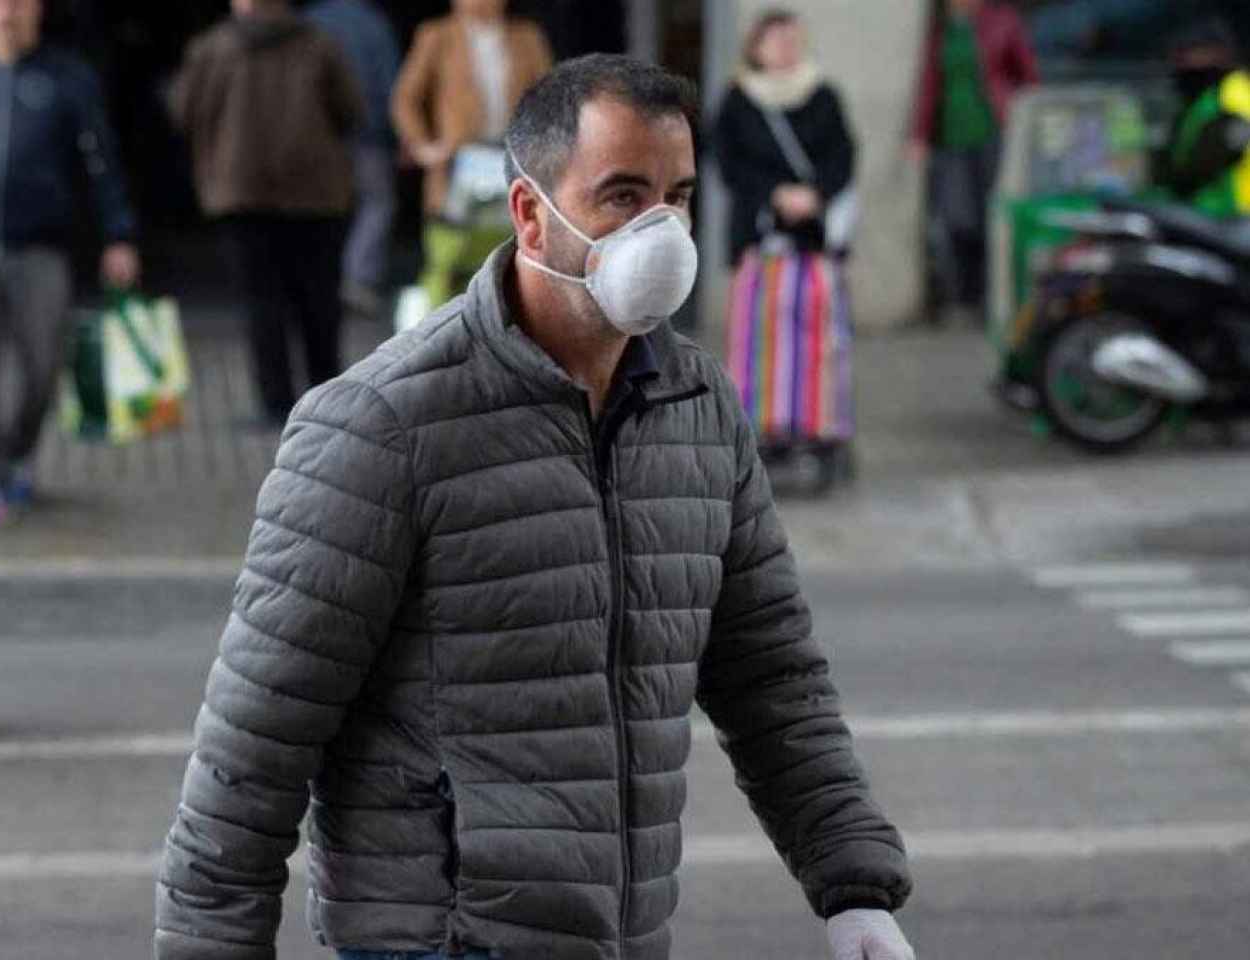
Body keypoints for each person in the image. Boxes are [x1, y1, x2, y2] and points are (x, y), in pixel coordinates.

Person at [155, 54, 915, 960]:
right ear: (530, 213)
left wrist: (854, 887)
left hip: (624, 936)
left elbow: (771, 676)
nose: (662, 231)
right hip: (441, 940)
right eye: (623, 197)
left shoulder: (697, 408)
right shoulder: (383, 425)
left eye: (676, 196)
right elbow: (255, 743)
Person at [0, 0, 141, 534]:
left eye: (18, 2)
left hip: (43, 249)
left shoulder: (66, 77)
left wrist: (119, 234)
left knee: (42, 368)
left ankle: (17, 454)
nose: (7, 13)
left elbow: (100, 160)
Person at [170, 0, 361, 428]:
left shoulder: (212, 48)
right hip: (317, 196)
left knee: (261, 305)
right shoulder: (319, 43)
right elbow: (350, 110)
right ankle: (326, 398)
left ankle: (275, 404)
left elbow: (184, 112)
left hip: (242, 195)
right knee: (319, 303)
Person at [392, 0, 552, 307]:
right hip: (458, 165)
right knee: (448, 258)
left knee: (516, 257)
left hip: (512, 160)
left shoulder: (526, 36)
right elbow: (405, 98)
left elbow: (548, 95)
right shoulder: (436, 35)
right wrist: (424, 146)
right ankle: (439, 341)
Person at [908, 0, 1038, 318]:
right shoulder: (941, 30)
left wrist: (1026, 121)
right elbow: (929, 85)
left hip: (994, 131)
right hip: (951, 137)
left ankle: (994, 297)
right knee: (957, 218)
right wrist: (920, 134)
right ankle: (967, 294)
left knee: (991, 217)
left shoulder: (1002, 20)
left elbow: (1028, 76)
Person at [712, 9, 856, 261]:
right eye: (777, 40)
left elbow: (843, 153)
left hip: (816, 231)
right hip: (756, 230)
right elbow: (726, 159)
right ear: (756, 48)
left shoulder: (823, 95)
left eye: (792, 40)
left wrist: (816, 194)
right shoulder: (738, 99)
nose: (786, 48)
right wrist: (775, 194)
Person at [305, 0, 402, 320]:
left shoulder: (308, 20)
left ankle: (320, 278)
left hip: (318, 136)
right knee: (376, 202)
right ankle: (357, 277)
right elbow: (390, 81)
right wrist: (394, 133)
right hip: (368, 132)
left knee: (321, 208)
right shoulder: (372, 23)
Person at [1161, 20, 1250, 218]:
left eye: (1188, 53)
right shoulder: (1205, 97)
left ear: (1217, 53)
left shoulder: (1231, 93)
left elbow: (1227, 144)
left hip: (1230, 214)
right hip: (1208, 213)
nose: (1179, 62)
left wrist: (1183, 183)